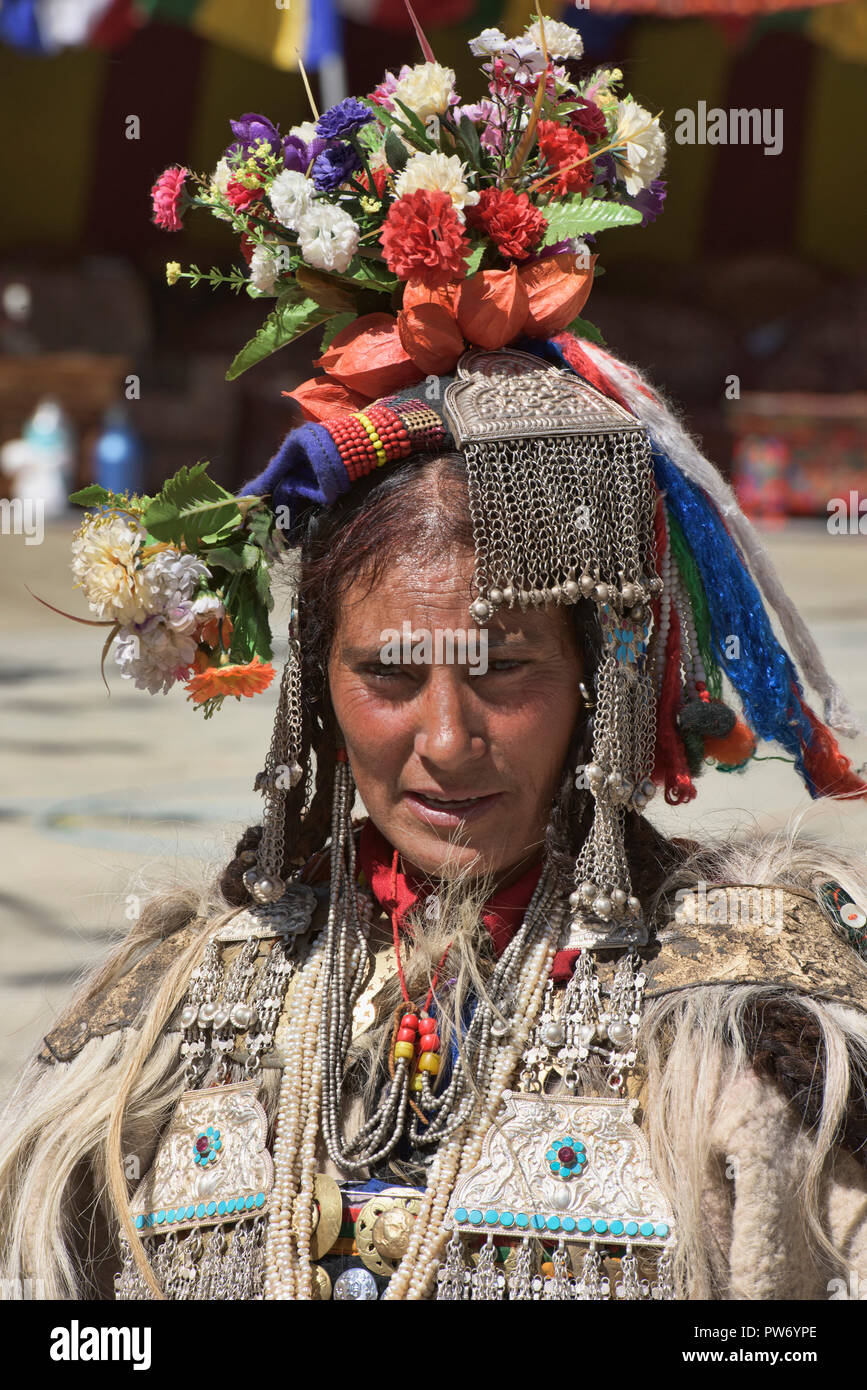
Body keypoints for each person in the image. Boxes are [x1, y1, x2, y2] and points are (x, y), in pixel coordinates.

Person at [3, 22, 867, 1303]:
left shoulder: (755, 1025)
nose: (447, 741)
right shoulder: (161, 1012)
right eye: (390, 676)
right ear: (313, 684)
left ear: (601, 675)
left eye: (507, 671)